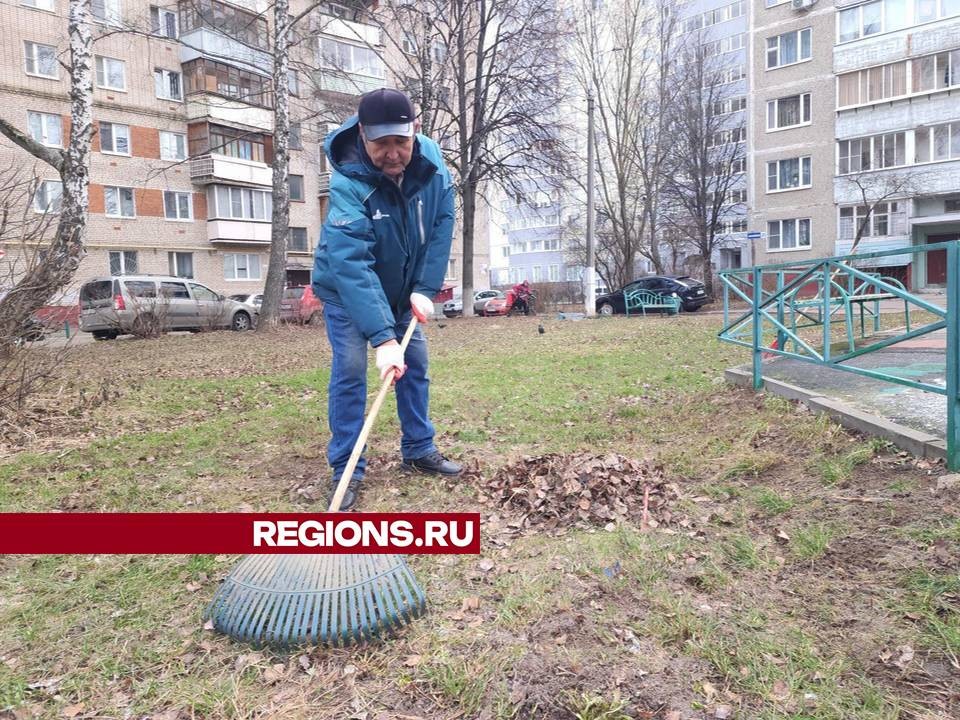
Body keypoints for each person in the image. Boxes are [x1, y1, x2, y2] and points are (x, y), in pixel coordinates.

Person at [311, 88, 462, 510]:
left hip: (402, 290)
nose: (393, 154)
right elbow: (352, 263)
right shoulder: (347, 180)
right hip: (346, 291)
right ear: (363, 134)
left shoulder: (432, 163)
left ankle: (418, 449)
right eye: (382, 144)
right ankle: (346, 468)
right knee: (352, 371)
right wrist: (382, 338)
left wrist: (425, 288)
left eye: (401, 141)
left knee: (416, 367)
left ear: (415, 130)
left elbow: (442, 222)